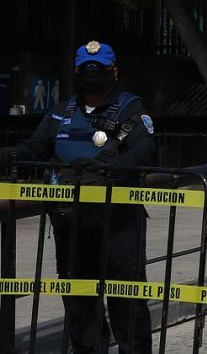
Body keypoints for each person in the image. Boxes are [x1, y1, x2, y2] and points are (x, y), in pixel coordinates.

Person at [0, 40, 156, 354]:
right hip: (71, 222)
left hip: (118, 221)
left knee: (126, 298)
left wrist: (110, 168)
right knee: (79, 298)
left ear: (114, 71)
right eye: (86, 69)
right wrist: (13, 154)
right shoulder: (62, 113)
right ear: (76, 72)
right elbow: (36, 146)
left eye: (98, 69)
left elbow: (143, 152)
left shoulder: (130, 109)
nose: (91, 74)